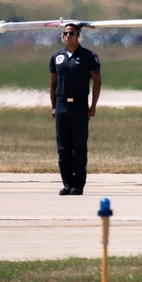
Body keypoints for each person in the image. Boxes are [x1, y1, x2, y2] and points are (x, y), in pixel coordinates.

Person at [49, 23, 101, 195]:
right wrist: (53, 105)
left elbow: (97, 82)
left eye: (71, 33)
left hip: (79, 105)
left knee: (79, 146)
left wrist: (92, 106)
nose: (68, 36)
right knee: (63, 148)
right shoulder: (57, 57)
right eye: (65, 33)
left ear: (78, 35)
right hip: (62, 105)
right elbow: (53, 83)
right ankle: (66, 184)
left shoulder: (88, 56)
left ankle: (78, 185)